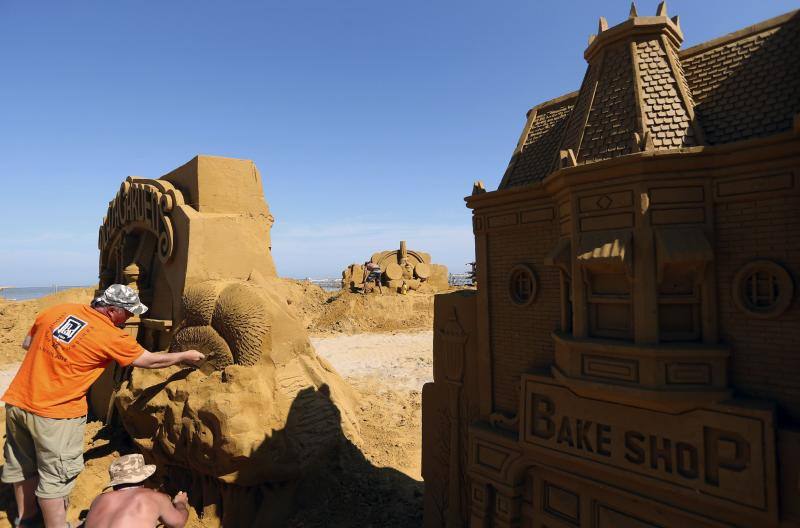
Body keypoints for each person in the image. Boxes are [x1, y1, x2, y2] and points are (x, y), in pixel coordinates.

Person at [1, 284, 204, 528]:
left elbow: (27, 343)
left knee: (23, 468)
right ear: (112, 310)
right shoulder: (110, 335)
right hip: (57, 414)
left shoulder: (59, 310)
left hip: (18, 403)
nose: (130, 318)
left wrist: (63, 354)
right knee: (56, 479)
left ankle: (25, 521)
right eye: (128, 313)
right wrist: (183, 356)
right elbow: (149, 360)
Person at [81, 454, 189, 528]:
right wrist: (180, 503)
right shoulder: (154, 497)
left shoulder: (99, 499)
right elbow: (179, 522)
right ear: (143, 477)